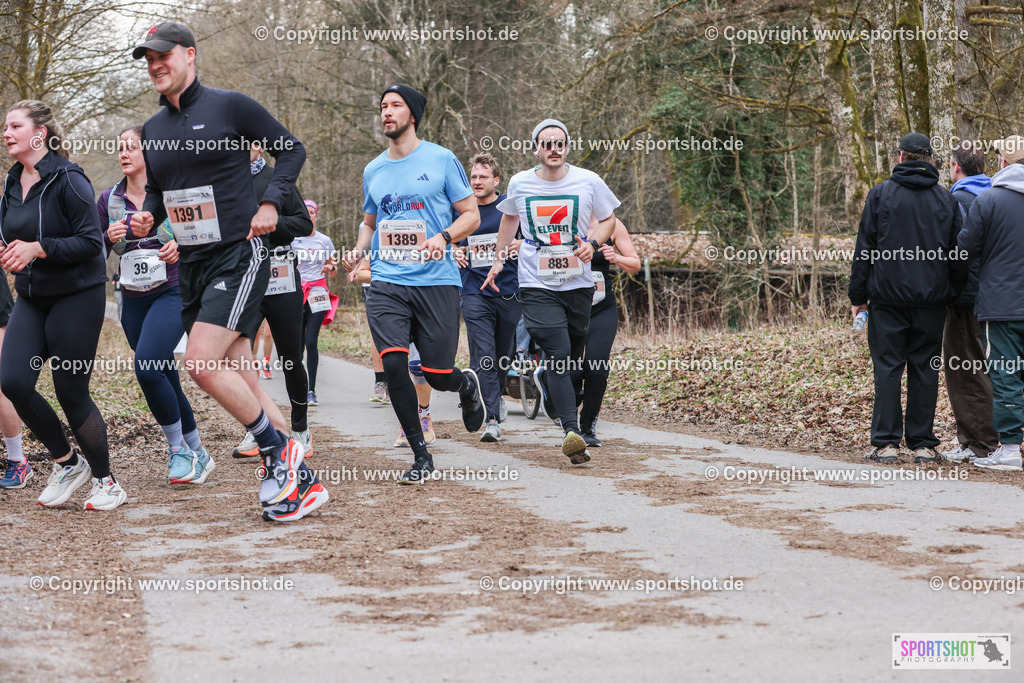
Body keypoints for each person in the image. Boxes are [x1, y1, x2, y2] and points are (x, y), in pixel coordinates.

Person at [129, 22, 324, 520]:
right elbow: (161, 188)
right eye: (147, 59)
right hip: (192, 263)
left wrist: (274, 204)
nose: (154, 65)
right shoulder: (153, 130)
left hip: (238, 254)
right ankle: (303, 483)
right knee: (246, 380)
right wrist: (152, 213)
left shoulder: (231, 106)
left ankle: (277, 452)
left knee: (199, 361)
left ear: (188, 56)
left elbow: (292, 148)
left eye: (162, 55)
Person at [341, 84, 484, 484]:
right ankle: (421, 454)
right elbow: (370, 223)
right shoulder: (373, 169)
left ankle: (464, 384)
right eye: (383, 106)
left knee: (437, 374)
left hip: (437, 281)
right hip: (388, 280)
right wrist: (358, 249)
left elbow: (471, 213)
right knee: (392, 363)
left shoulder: (441, 159)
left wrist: (444, 237)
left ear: (413, 114)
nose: (387, 112)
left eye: (395, 106)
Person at [0, 100, 127, 509]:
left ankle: (107, 482)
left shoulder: (70, 179)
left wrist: (38, 248)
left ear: (39, 133)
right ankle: (67, 462)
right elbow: (9, 234)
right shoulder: (11, 180)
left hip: (77, 294)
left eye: (14, 126)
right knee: (13, 380)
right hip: (33, 296)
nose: (6, 133)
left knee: (70, 389)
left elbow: (93, 243)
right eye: (5, 126)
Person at [482, 119, 620, 465]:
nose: (553, 148)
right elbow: (509, 220)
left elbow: (609, 219)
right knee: (557, 352)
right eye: (546, 144)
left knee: (572, 354)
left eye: (559, 143)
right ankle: (572, 433)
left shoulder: (588, 180)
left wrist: (593, 242)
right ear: (535, 150)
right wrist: (498, 261)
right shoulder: (521, 182)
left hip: (577, 283)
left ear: (567, 148)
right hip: (536, 280)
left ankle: (554, 387)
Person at [98, 125, 212, 484]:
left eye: (132, 147)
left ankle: (177, 450)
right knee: (162, 372)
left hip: (173, 291)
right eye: (120, 148)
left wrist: (183, 245)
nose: (124, 153)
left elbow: (208, 232)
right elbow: (92, 252)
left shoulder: (175, 191)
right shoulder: (108, 200)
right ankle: (199, 452)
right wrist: (107, 236)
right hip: (132, 298)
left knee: (146, 366)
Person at [849, 132, 966, 464]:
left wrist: (858, 296)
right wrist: (952, 294)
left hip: (886, 299)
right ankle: (923, 444)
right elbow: (959, 255)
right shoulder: (947, 200)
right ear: (929, 160)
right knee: (925, 369)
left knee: (887, 368)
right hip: (931, 302)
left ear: (900, 157)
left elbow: (864, 250)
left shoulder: (881, 195)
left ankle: (886, 444)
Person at [233, 143, 315, 459]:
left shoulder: (276, 180)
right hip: (245, 277)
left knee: (291, 356)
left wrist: (269, 222)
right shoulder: (227, 182)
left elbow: (304, 224)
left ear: (259, 147)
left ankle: (300, 430)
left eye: (247, 144)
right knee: (239, 355)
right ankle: (258, 429)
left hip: (281, 276)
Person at [958, 135, 1024, 471]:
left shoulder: (989, 200)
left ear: (1003, 162)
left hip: (1003, 304)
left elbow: (964, 249)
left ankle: (1010, 449)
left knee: (1007, 372)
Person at [456, 153, 521, 442]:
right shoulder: (461, 209)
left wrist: (521, 243)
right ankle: (491, 418)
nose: (477, 182)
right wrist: (453, 250)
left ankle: (497, 390)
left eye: (483, 177)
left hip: (508, 290)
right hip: (473, 290)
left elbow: (533, 238)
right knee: (484, 353)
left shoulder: (510, 207)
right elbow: (448, 239)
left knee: (503, 355)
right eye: (473, 177)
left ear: (496, 181)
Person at [941, 142, 997, 462]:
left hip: (965, 299)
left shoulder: (957, 200)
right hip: (991, 296)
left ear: (956, 167)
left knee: (965, 370)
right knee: (979, 366)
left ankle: (981, 443)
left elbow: (956, 254)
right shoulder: (992, 196)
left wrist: (949, 292)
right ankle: (972, 439)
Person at [574, 217, 641, 447]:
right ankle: (568, 422)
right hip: (569, 307)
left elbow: (635, 264)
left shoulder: (613, 224)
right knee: (569, 369)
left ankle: (588, 425)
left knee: (596, 367)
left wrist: (617, 257)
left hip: (602, 307)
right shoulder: (567, 219)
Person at [353, 257, 432, 444]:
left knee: (419, 367)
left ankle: (425, 415)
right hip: (393, 306)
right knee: (396, 366)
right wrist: (390, 276)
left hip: (424, 302)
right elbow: (360, 273)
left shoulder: (428, 234)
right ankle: (408, 425)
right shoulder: (384, 237)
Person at [292, 199, 338, 407]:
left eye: (312, 212)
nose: (309, 215)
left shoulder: (324, 240)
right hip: (297, 292)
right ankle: (299, 389)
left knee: (311, 340)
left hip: (318, 292)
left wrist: (330, 268)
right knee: (298, 343)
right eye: (305, 211)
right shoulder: (292, 239)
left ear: (316, 216)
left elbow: (334, 268)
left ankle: (311, 391)